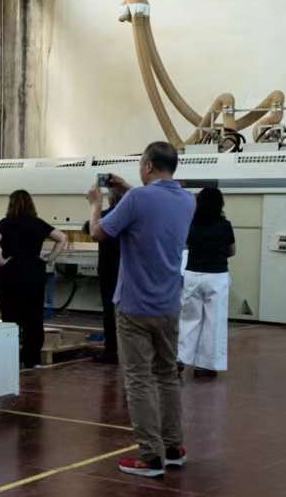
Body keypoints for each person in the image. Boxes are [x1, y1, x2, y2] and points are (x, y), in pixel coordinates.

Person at [86, 142, 195, 478]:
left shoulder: (136, 199)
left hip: (135, 305)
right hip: (169, 304)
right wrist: (128, 190)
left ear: (147, 165)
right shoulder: (187, 200)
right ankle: (173, 447)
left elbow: (98, 232)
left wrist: (96, 204)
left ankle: (150, 456)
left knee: (138, 380)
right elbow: (154, 204)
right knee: (167, 375)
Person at [0, 190, 68, 369]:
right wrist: (50, 257)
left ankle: (11, 357)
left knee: (10, 316)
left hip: (10, 274)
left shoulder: (6, 223)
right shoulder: (37, 223)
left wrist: (0, 260)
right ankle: (31, 358)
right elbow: (62, 238)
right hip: (34, 274)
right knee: (33, 317)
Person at [180, 186, 236, 377]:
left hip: (192, 274)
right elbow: (232, 251)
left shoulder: (190, 224)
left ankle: (180, 358)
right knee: (214, 321)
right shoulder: (225, 225)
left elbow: (186, 245)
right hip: (216, 276)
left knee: (189, 319)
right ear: (220, 204)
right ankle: (205, 366)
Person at [82, 176, 126, 363]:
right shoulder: (130, 216)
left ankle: (112, 349)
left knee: (109, 309)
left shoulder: (106, 216)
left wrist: (95, 206)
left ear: (111, 199)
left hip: (108, 269)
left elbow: (88, 229)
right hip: (126, 268)